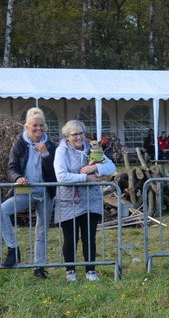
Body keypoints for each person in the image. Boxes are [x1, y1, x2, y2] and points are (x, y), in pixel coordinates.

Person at [53, 120, 116, 281]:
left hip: (91, 200)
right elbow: (61, 176)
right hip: (69, 201)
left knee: (89, 237)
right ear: (67, 137)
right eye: (74, 134)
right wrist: (85, 178)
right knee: (70, 237)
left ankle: (90, 271)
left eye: (81, 133)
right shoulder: (61, 151)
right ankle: (70, 271)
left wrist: (95, 168)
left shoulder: (92, 149)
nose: (78, 137)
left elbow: (112, 167)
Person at [1, 108, 57, 278]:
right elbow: (12, 167)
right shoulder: (19, 143)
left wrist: (45, 155)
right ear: (27, 126)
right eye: (35, 126)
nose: (38, 129)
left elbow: (54, 172)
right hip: (25, 191)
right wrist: (17, 177)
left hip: (45, 192)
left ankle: (39, 267)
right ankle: (12, 249)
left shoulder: (51, 145)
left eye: (41, 126)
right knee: (2, 210)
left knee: (41, 230)